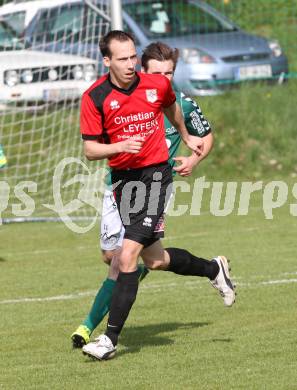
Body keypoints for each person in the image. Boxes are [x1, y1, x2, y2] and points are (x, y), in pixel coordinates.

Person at [79, 31, 235, 361]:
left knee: (127, 257)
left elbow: (177, 113)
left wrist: (187, 141)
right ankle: (213, 269)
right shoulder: (94, 97)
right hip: (122, 182)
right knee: (155, 260)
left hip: (156, 179)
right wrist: (118, 147)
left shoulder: (160, 89)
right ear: (106, 61)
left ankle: (108, 340)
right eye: (123, 59)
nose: (130, 64)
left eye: (133, 57)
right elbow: (90, 149)